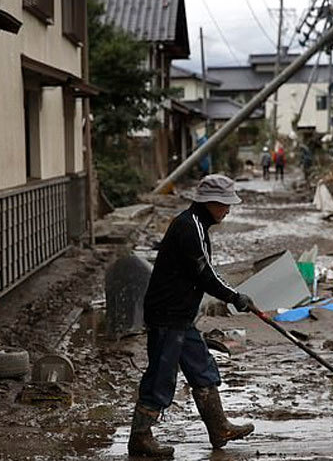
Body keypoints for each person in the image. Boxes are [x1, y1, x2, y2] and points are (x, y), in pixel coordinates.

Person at [128, 174, 256, 458]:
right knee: (161, 377)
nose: (228, 210)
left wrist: (233, 296)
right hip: (167, 315)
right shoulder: (189, 228)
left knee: (201, 368)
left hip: (181, 316)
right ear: (210, 203)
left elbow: (205, 273)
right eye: (224, 204)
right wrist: (235, 297)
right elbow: (206, 275)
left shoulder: (197, 225)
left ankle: (219, 427)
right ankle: (140, 436)